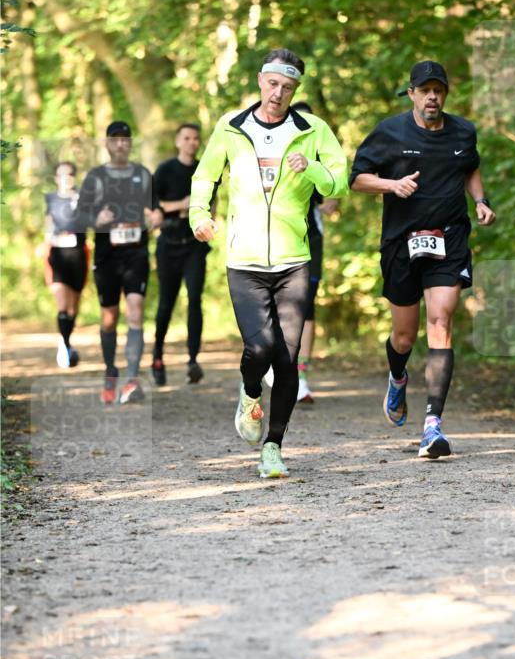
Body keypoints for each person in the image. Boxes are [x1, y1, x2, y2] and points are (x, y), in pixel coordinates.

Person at [189, 48, 348, 478]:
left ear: (296, 90)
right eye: (273, 84)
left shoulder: (311, 129)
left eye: (288, 87)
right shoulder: (231, 126)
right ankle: (248, 391)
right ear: (261, 81)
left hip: (293, 259)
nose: (279, 93)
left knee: (288, 357)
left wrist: (311, 167)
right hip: (244, 260)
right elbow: (205, 175)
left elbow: (340, 179)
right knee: (259, 347)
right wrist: (199, 215)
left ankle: (273, 447)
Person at [350, 60, 496, 458]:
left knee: (441, 321)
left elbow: (469, 165)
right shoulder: (389, 132)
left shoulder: (463, 131)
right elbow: (357, 178)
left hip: (448, 239)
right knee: (403, 335)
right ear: (412, 93)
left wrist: (480, 200)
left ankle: (433, 426)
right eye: (425, 90)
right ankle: (398, 377)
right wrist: (391, 184)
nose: (432, 96)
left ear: (445, 94)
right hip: (401, 242)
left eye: (439, 90)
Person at [75, 121, 163, 405]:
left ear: (131, 143)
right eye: (116, 139)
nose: (121, 144)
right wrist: (95, 220)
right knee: (110, 318)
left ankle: (133, 379)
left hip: (136, 253)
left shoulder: (142, 174)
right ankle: (111, 372)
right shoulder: (96, 177)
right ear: (107, 144)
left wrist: (157, 215)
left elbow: (156, 207)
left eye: (126, 139)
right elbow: (79, 217)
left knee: (135, 309)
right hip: (107, 257)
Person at [265, 99, 339, 404]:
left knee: (306, 306)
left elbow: (334, 199)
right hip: (277, 236)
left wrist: (328, 194)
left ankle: (301, 376)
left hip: (312, 238)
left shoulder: (320, 160)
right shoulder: (273, 154)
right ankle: (273, 363)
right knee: (276, 303)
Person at [151, 123, 215, 386]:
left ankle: (192, 360)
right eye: (186, 138)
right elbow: (155, 209)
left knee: (195, 300)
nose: (192, 142)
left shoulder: (205, 170)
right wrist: (181, 205)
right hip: (168, 244)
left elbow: (211, 205)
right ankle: (157, 356)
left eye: (196, 138)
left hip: (194, 245)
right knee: (166, 303)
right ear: (178, 141)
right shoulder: (165, 170)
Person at [43, 161, 87, 369]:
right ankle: (65, 345)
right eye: (61, 175)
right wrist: (45, 244)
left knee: (72, 307)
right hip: (57, 255)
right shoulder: (50, 199)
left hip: (78, 255)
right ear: (55, 178)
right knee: (61, 303)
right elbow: (48, 224)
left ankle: (66, 339)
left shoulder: (83, 198)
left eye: (70, 174)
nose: (66, 178)